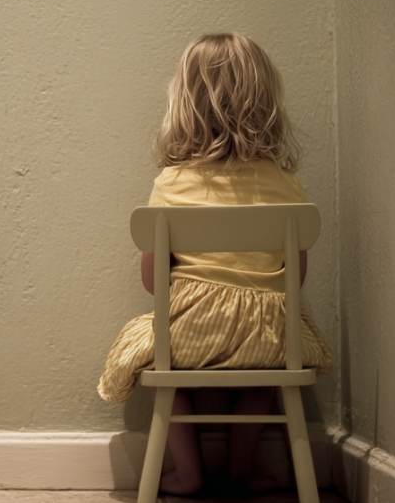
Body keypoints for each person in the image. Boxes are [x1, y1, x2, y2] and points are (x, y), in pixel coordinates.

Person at [97, 33, 333, 496]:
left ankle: (188, 473)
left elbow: (152, 283)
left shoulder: (170, 183)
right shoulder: (286, 185)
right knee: (266, 376)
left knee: (158, 366)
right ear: (266, 103)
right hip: (268, 333)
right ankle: (242, 470)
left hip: (186, 334)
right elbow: (295, 279)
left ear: (183, 104)